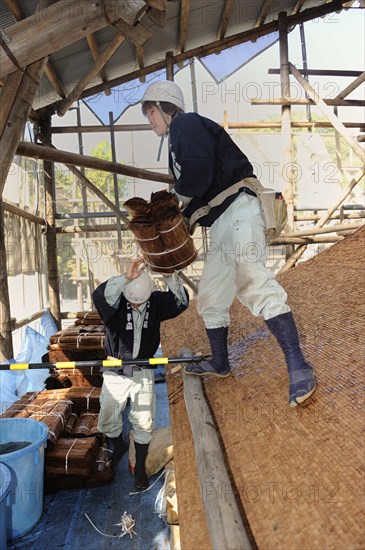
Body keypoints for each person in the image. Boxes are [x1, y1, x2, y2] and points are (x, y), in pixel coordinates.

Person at [140, 80, 316, 407]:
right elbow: (199, 183)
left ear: (166, 108)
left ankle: (299, 365)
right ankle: (220, 361)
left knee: (252, 280)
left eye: (150, 112)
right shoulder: (177, 139)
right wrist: (184, 217)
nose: (148, 119)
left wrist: (176, 208)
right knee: (210, 296)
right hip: (222, 220)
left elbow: (199, 173)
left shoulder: (185, 124)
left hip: (239, 209)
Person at [92, 257, 189, 489]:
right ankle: (120, 445)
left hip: (143, 369)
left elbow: (181, 301)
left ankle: (140, 468)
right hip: (116, 369)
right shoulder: (116, 301)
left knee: (144, 421)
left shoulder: (155, 302)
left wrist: (168, 273)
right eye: (133, 302)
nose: (136, 306)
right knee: (107, 417)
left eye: (140, 303)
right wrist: (126, 278)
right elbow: (99, 295)